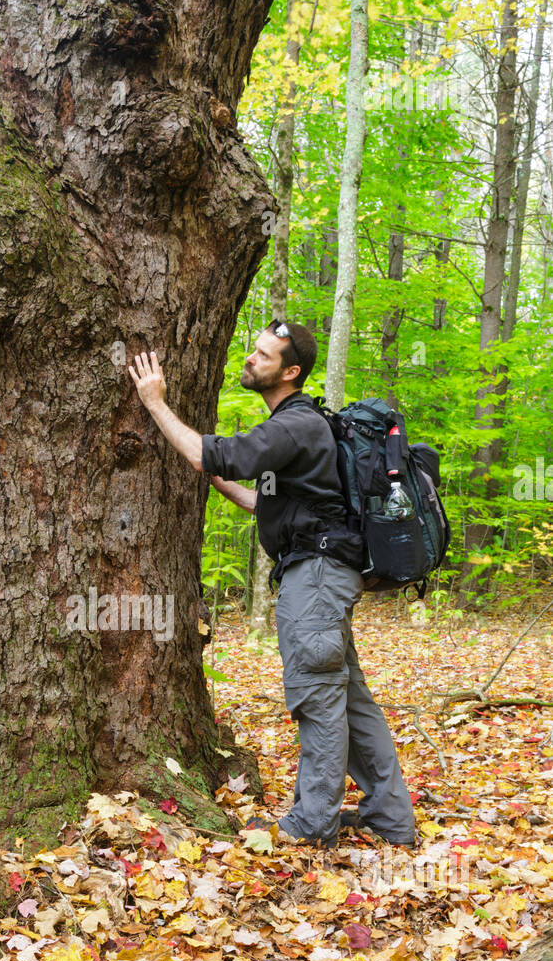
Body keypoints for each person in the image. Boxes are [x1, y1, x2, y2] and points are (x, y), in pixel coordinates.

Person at [127, 321, 416, 849]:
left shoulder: (296, 423)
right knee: (349, 701)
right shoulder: (300, 431)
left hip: (317, 580)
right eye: (254, 350)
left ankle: (312, 824)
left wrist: (155, 403)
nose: (250, 358)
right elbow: (270, 502)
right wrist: (224, 484)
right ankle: (390, 818)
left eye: (263, 355)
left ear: (291, 371)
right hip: (323, 574)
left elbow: (211, 452)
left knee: (317, 700)